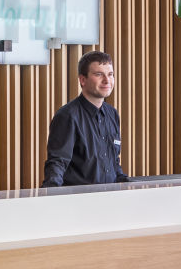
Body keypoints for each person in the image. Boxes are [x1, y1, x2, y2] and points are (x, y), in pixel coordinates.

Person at [42, 50, 129, 187]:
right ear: (82, 80)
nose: (107, 80)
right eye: (99, 74)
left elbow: (113, 162)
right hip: (80, 198)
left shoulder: (112, 114)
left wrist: (129, 184)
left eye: (110, 74)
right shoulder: (67, 116)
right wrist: (51, 194)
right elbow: (58, 163)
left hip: (111, 197)